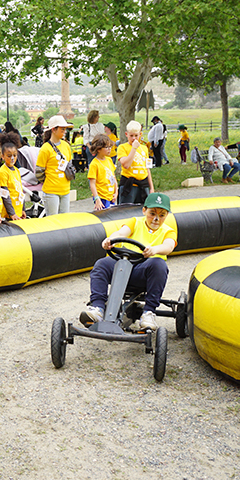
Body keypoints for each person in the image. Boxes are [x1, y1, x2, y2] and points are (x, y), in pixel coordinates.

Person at [81, 193, 177, 332]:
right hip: (124, 266)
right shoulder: (135, 222)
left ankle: (148, 313)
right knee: (102, 264)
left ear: (166, 215)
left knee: (159, 265)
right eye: (152, 213)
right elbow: (120, 234)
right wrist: (109, 240)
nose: (156, 219)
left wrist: (154, 250)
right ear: (144, 211)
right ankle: (98, 308)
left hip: (144, 273)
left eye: (162, 215)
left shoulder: (168, 231)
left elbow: (168, 247)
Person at [35, 115, 74, 216]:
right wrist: (50, 180)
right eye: (62, 129)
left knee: (64, 220)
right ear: (54, 129)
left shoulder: (66, 146)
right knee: (53, 220)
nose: (64, 131)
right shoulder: (45, 148)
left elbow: (69, 165)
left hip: (65, 190)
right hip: (51, 191)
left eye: (65, 129)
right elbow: (39, 172)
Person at [117, 120, 154, 205]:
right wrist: (133, 148)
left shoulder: (144, 148)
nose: (134, 138)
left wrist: (151, 187)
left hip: (143, 184)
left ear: (140, 134)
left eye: (136, 136)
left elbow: (147, 168)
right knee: (126, 209)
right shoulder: (122, 147)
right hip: (130, 184)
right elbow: (126, 165)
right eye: (131, 136)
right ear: (126, 135)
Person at [87, 134, 117, 211]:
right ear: (98, 149)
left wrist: (116, 192)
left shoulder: (109, 160)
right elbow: (92, 183)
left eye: (110, 146)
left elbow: (113, 177)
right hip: (102, 197)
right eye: (106, 147)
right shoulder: (94, 164)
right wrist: (97, 198)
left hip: (110, 195)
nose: (109, 149)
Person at [0, 140, 26, 221]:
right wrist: (12, 213)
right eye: (9, 156)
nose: (12, 158)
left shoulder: (17, 170)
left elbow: (20, 190)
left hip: (18, 210)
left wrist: (23, 209)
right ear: (3, 156)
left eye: (15, 155)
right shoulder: (3, 171)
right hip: (10, 214)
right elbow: (4, 194)